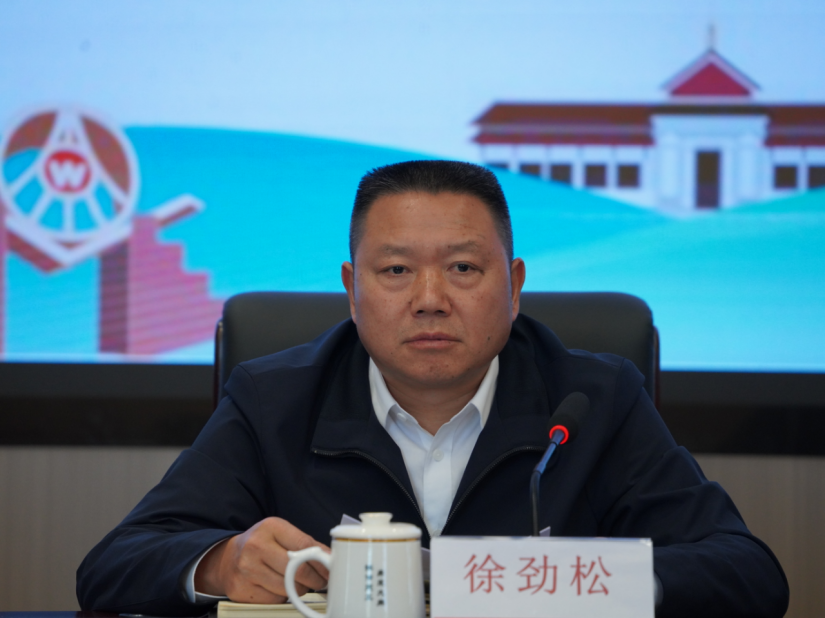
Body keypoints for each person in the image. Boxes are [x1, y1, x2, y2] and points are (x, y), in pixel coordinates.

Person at [77, 160, 789, 618]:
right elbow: (113, 564)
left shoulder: (595, 399)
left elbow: (747, 574)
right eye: (395, 272)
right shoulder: (273, 398)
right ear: (352, 289)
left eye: (463, 269)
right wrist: (220, 563)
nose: (428, 300)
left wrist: (583, 581)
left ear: (513, 286)